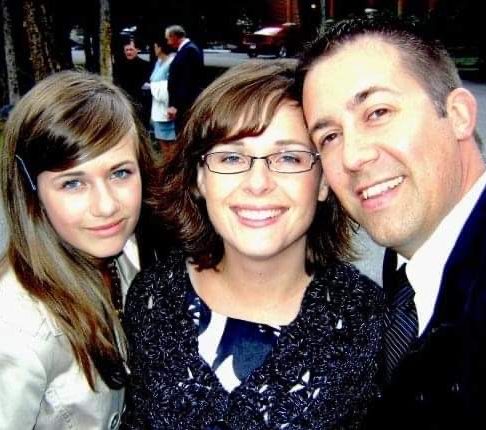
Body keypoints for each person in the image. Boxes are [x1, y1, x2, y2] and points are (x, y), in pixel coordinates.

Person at [121, 60, 384, 429]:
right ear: (199, 178)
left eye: (289, 157)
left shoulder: (369, 324)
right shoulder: (152, 299)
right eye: (231, 157)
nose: (258, 183)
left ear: (324, 181)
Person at [297, 16, 486, 429]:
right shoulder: (410, 261)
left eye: (378, 112)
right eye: (329, 137)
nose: (352, 157)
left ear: (458, 114)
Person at [0, 70, 160, 429]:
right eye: (73, 183)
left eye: (120, 173)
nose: (106, 206)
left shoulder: (127, 257)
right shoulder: (15, 331)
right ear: (30, 191)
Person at [165, 24, 204, 134]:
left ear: (174, 37)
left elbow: (186, 81)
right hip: (183, 103)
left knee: (183, 133)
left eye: (168, 39)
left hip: (184, 105)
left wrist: (175, 105)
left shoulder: (190, 51)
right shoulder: (186, 49)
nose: (168, 43)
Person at [144, 36, 176, 155]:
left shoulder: (171, 63)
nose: (154, 49)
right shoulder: (158, 62)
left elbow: (170, 87)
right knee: (162, 144)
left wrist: (151, 87)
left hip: (167, 108)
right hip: (157, 109)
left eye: (155, 47)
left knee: (171, 146)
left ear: (160, 48)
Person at [114, 39, 152, 128]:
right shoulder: (119, 65)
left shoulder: (145, 65)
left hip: (141, 103)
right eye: (127, 50)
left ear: (137, 50)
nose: (129, 52)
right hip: (124, 101)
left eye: (131, 49)